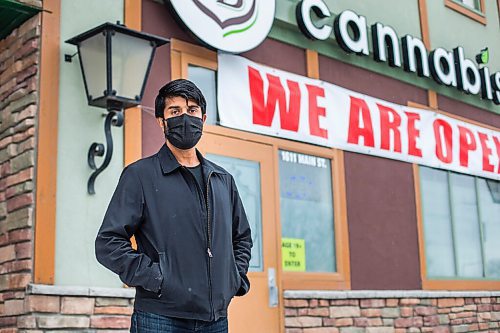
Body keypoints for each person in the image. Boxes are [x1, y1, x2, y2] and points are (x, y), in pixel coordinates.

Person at [95, 79, 253, 333]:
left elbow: (242, 238)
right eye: (175, 111)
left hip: (216, 320)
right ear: (161, 122)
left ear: (203, 119)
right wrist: (157, 279)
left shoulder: (223, 180)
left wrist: (233, 278)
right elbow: (108, 243)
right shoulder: (140, 175)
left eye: (192, 111)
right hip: (160, 318)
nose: (185, 117)